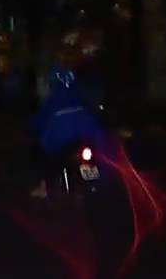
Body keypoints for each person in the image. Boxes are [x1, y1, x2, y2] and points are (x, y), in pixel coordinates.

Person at [29, 65, 107, 198]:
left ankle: (43, 187)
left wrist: (32, 126)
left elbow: (38, 121)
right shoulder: (80, 95)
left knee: (40, 153)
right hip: (85, 139)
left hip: (60, 144)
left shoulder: (52, 100)